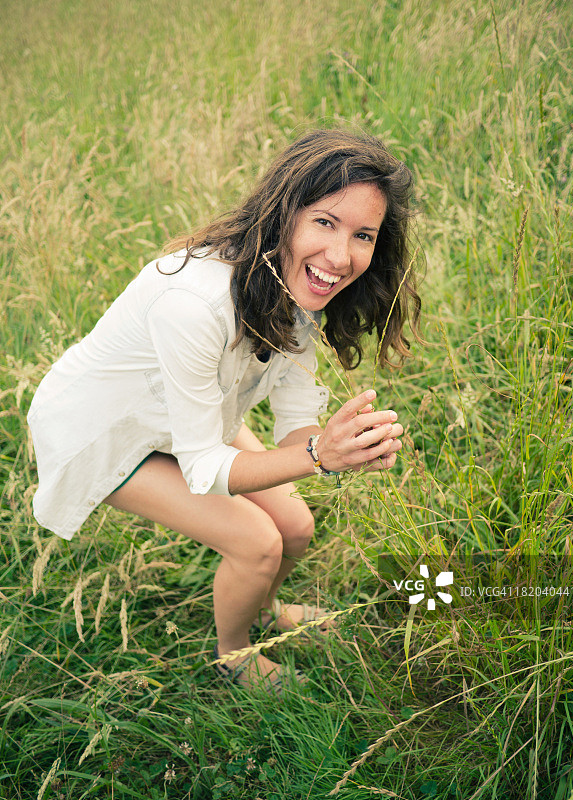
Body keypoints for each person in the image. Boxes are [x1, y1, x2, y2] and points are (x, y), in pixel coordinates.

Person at [27, 128, 421, 694]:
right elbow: (204, 469)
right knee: (256, 543)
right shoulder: (194, 304)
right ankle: (235, 655)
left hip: (187, 417)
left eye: (363, 234)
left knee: (295, 525)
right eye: (325, 222)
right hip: (105, 431)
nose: (340, 256)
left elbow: (296, 431)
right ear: (283, 213)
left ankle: (262, 613)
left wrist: (334, 447)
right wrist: (319, 456)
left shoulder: (300, 287)